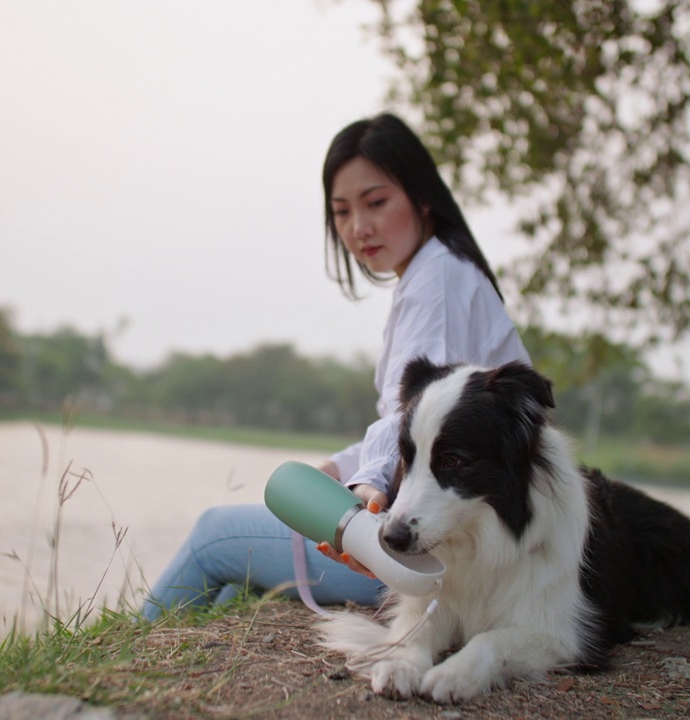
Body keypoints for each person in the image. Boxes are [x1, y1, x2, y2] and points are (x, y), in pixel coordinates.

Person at [141, 112, 530, 621]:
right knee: (240, 572)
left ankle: (108, 676)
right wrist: (340, 469)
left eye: (376, 203)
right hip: (464, 546)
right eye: (341, 211)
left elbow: (412, 419)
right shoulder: (440, 273)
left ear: (423, 197)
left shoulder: (436, 282)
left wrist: (362, 487)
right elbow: (415, 425)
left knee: (213, 538)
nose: (357, 228)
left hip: (450, 562)